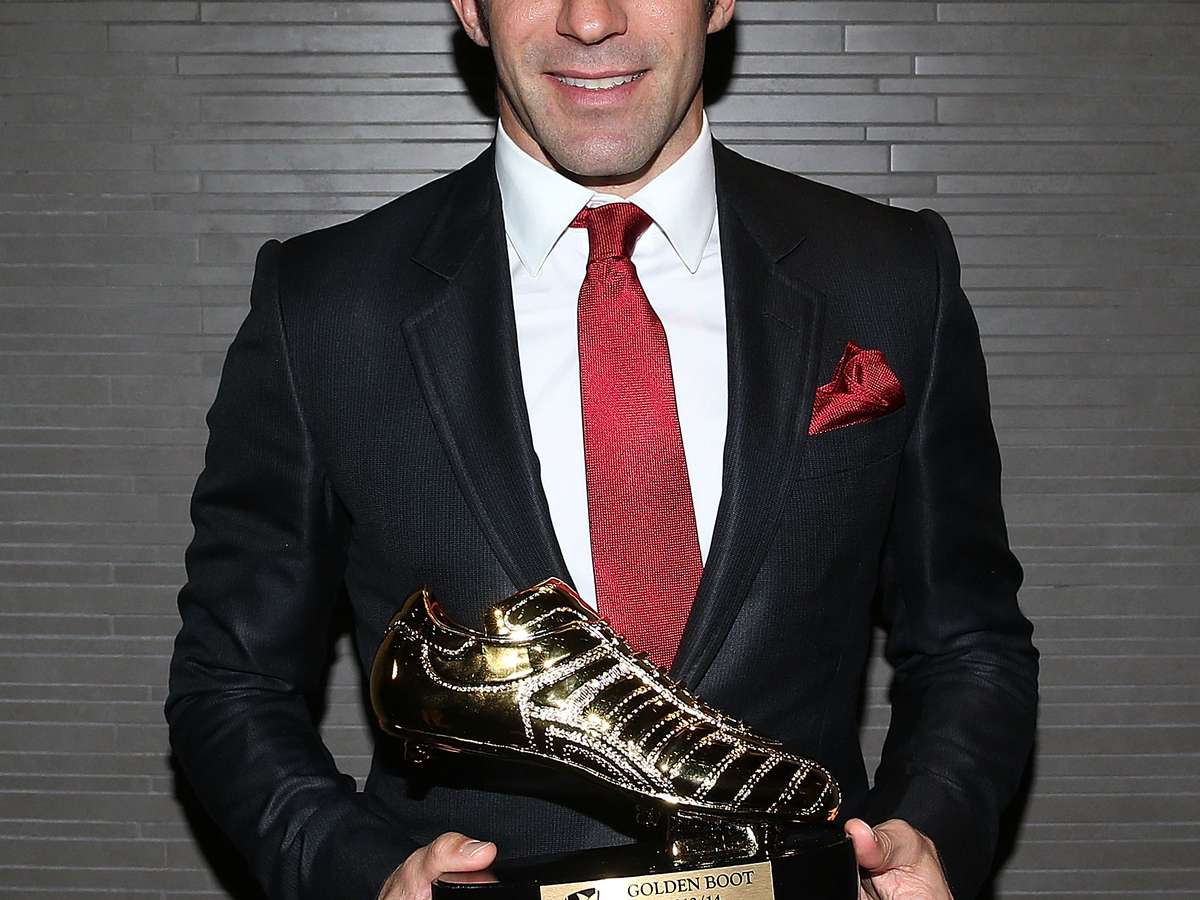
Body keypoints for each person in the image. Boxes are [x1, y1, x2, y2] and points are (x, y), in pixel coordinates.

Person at [165, 1, 1039, 898]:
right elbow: (230, 683)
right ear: (469, 5)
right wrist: (366, 875)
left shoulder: (891, 276)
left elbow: (970, 643)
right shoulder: (325, 308)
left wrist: (928, 838)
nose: (589, 20)